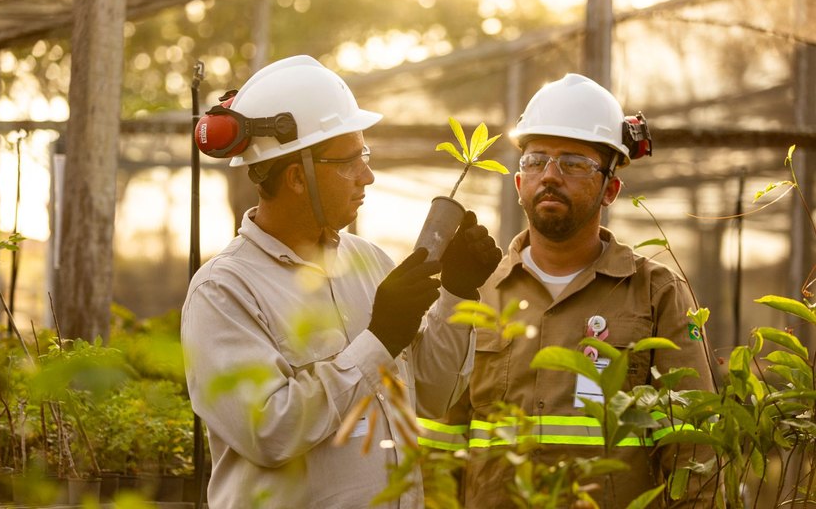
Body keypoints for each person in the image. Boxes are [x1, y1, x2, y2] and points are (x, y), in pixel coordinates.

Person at [181, 55, 502, 509]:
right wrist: (377, 340)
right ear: (297, 177)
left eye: (365, 156)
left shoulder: (369, 262)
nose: (367, 176)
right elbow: (270, 432)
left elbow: (431, 397)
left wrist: (456, 294)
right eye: (351, 161)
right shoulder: (224, 290)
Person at [424, 73, 717, 508]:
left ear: (610, 189)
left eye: (574, 163)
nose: (551, 176)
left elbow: (694, 453)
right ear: (519, 183)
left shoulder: (656, 294)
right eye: (536, 160)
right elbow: (441, 445)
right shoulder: (474, 291)